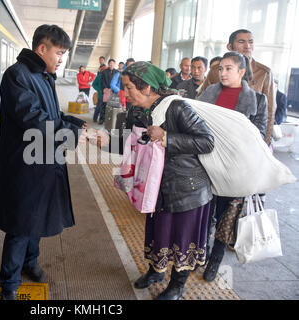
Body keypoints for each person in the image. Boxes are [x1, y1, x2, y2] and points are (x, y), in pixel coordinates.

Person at [90, 62, 215, 300]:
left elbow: (206, 141)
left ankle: (178, 285)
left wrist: (167, 137)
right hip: (156, 186)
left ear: (146, 87)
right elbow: (134, 144)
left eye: (129, 87)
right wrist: (105, 142)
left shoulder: (177, 108)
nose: (124, 92)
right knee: (158, 232)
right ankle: (156, 271)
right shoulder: (137, 112)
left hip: (186, 189)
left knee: (182, 238)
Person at [0, 24, 88, 300]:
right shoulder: (17, 76)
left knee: (35, 219)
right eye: (59, 53)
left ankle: (30, 263)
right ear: (42, 49)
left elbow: (53, 115)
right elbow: (33, 120)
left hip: (44, 159)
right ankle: (9, 285)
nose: (61, 59)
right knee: (21, 225)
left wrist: (77, 126)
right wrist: (71, 134)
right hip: (24, 164)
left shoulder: (44, 75)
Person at [197, 52, 267, 282]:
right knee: (204, 214)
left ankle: (215, 259)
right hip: (206, 163)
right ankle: (201, 253)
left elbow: (259, 135)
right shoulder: (209, 93)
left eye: (229, 68)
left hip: (235, 167)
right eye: (221, 69)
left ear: (241, 72)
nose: (223, 73)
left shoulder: (257, 100)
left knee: (226, 215)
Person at [197, 29, 276, 145]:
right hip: (214, 137)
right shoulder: (215, 71)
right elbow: (201, 103)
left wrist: (263, 145)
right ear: (230, 46)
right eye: (241, 41)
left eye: (251, 42)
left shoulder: (264, 73)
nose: (247, 46)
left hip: (246, 141)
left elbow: (269, 112)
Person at [99, 58, 119, 124]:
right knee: (104, 105)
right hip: (106, 91)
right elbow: (102, 81)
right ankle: (102, 119)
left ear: (114, 64)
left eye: (112, 64)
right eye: (110, 64)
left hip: (114, 91)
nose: (111, 65)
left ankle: (110, 120)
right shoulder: (104, 71)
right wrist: (105, 88)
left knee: (112, 106)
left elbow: (118, 82)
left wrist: (115, 89)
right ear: (108, 64)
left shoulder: (117, 72)